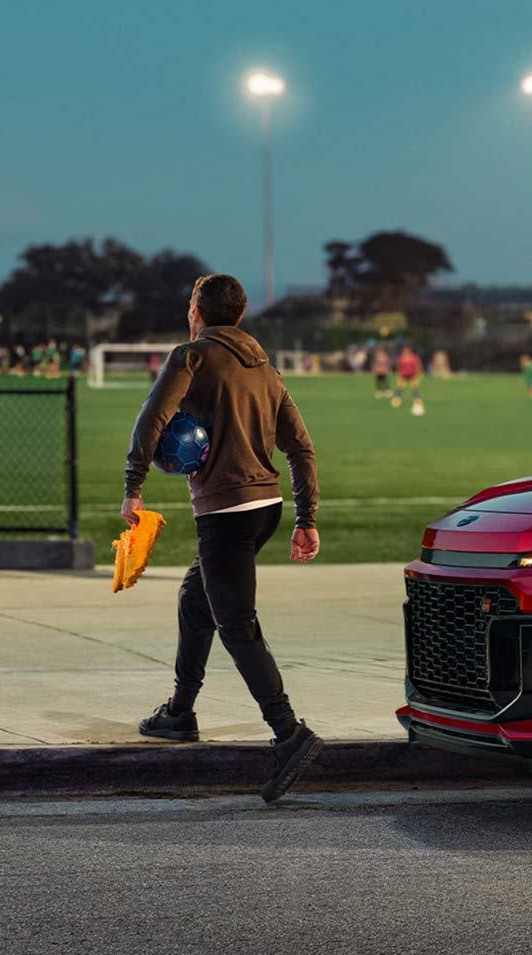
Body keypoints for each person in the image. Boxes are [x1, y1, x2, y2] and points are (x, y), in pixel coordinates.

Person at [124, 273, 323, 803]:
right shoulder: (266, 368)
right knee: (197, 597)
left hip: (228, 513)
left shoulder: (190, 357)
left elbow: (152, 419)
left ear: (196, 311)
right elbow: (301, 449)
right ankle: (180, 712)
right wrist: (306, 518)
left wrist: (133, 487)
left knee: (237, 624)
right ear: (242, 313)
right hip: (268, 510)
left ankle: (289, 735)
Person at [393, 343, 425, 415]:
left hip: (412, 374)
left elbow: (418, 364)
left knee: (414, 387)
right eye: (405, 350)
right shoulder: (401, 357)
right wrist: (398, 373)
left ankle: (417, 400)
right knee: (400, 386)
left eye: (407, 350)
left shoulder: (414, 357)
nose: (406, 351)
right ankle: (396, 399)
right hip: (403, 374)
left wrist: (420, 371)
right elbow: (398, 366)